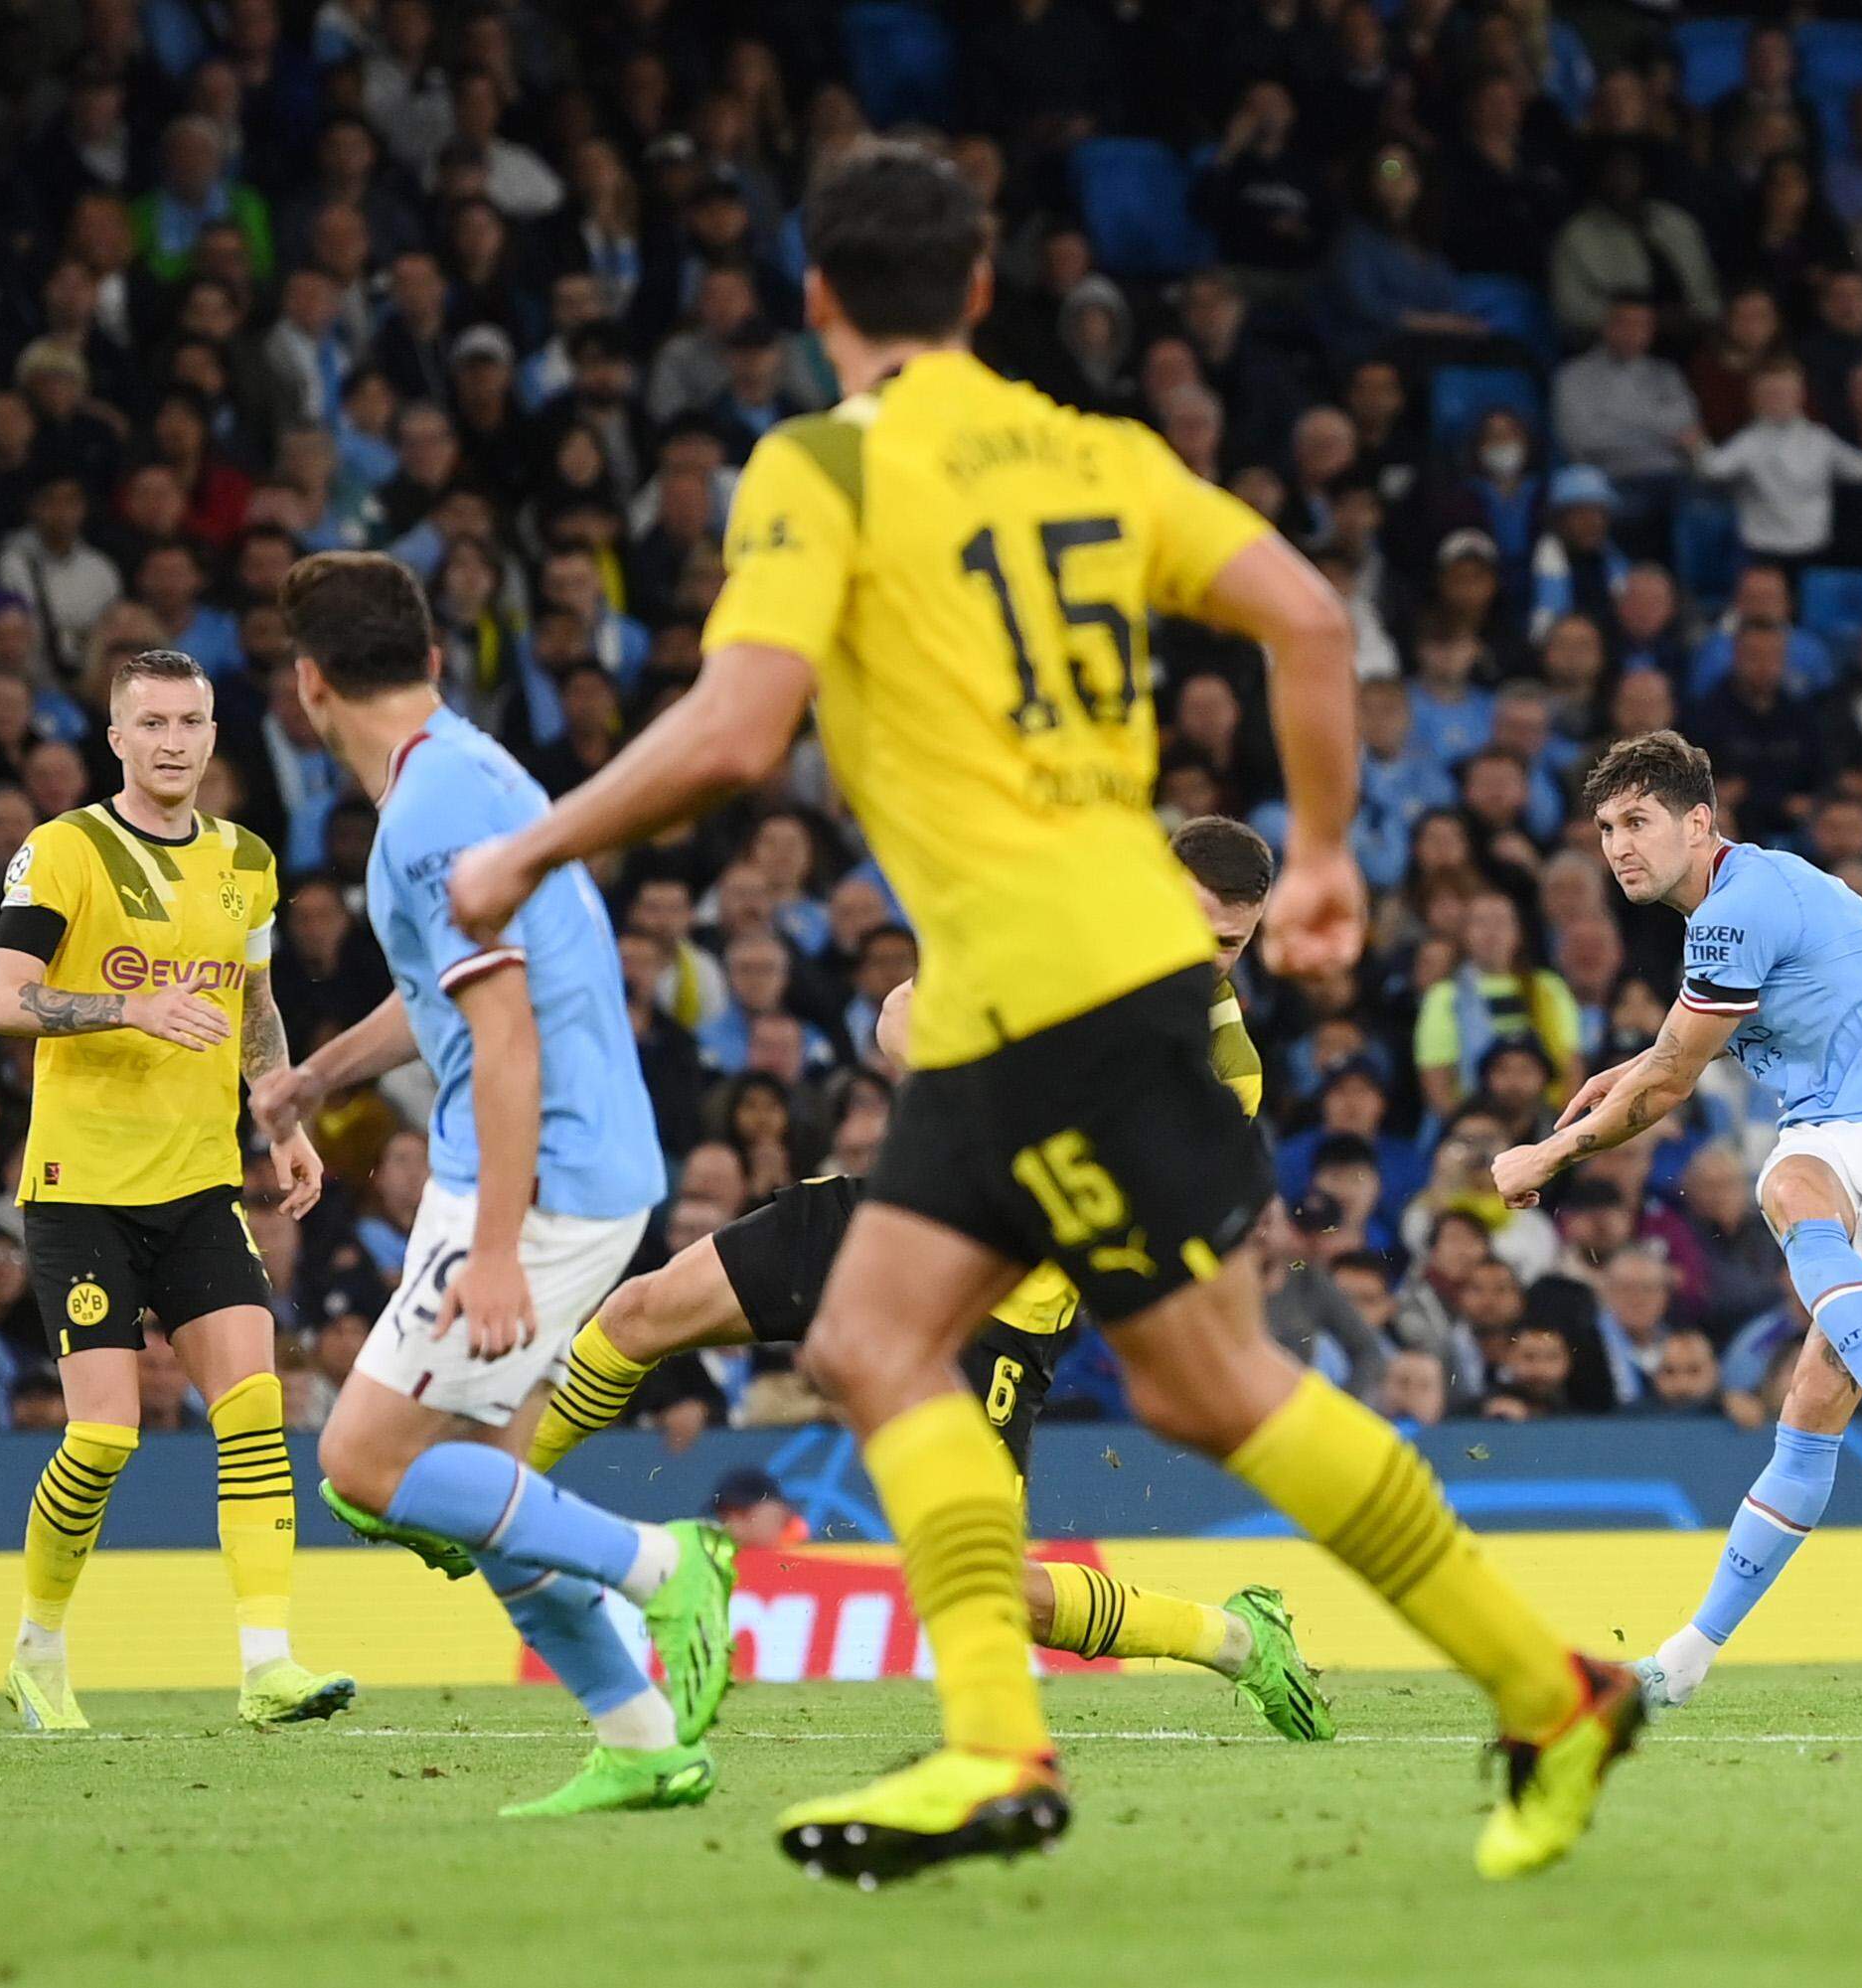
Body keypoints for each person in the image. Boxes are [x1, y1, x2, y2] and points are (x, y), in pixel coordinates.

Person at [443, 139, 1636, 1885]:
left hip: (1048, 991)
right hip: (1067, 983)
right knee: (880, 1343)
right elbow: (1310, 620)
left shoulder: (820, 463)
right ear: (986, 291)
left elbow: (732, 732)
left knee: (1204, 1386)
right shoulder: (1097, 453)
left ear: (820, 300)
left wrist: (521, 855)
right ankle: (1013, 1743)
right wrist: (1318, 858)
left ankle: (1540, 1688)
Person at [525, 820, 1334, 1743]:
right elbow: (900, 1015)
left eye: (1231, 942)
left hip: (999, 1306)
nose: (1209, 958)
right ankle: (491, 1495)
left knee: (998, 1589)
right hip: (903, 1218)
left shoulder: (1225, 1070)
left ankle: (1233, 1637)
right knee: (641, 1310)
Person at [263, 550, 733, 1821]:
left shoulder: (427, 818)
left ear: (307, 686)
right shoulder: (464, 770)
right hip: (574, 1163)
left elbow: (507, 1035)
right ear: (427, 660)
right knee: (494, 1497)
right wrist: (315, 1078)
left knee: (364, 1464)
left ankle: (662, 1561)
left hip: (538, 1178)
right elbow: (445, 1001)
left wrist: (496, 1251)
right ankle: (642, 1739)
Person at [1493, 731, 1862, 1717]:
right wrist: (1631, 1069)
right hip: (1847, 1139)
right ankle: (1684, 1660)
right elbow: (1685, 1046)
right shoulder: (1748, 898)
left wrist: (1548, 1156)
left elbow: (1677, 1076)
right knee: (1806, 1410)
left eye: (1638, 821)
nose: (1619, 846)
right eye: (1603, 828)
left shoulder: (1735, 909)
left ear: (1699, 822)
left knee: (1782, 1183)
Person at [0, 646, 356, 1734]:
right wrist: (129, 1008)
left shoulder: (245, 859)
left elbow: (253, 999)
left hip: (198, 1185)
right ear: (115, 740)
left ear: (212, 735)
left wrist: (278, 1119)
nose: (175, 742)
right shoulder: (65, 853)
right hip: (81, 1187)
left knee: (254, 1408)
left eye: (191, 722)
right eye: (152, 725)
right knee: (103, 1439)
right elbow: (6, 999)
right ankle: (38, 1652)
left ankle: (267, 1666)